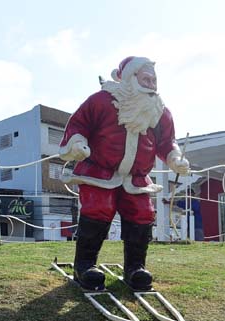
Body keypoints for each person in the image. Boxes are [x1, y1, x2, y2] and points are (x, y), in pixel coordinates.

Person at [59, 56, 190, 291]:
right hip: (99, 172)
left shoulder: (160, 112)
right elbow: (79, 124)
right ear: (128, 78)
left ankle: (135, 268)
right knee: (97, 210)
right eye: (145, 78)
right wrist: (77, 143)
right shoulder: (101, 101)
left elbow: (167, 142)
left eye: (153, 79)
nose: (151, 84)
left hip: (137, 178)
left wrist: (175, 159)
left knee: (141, 214)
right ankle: (85, 265)